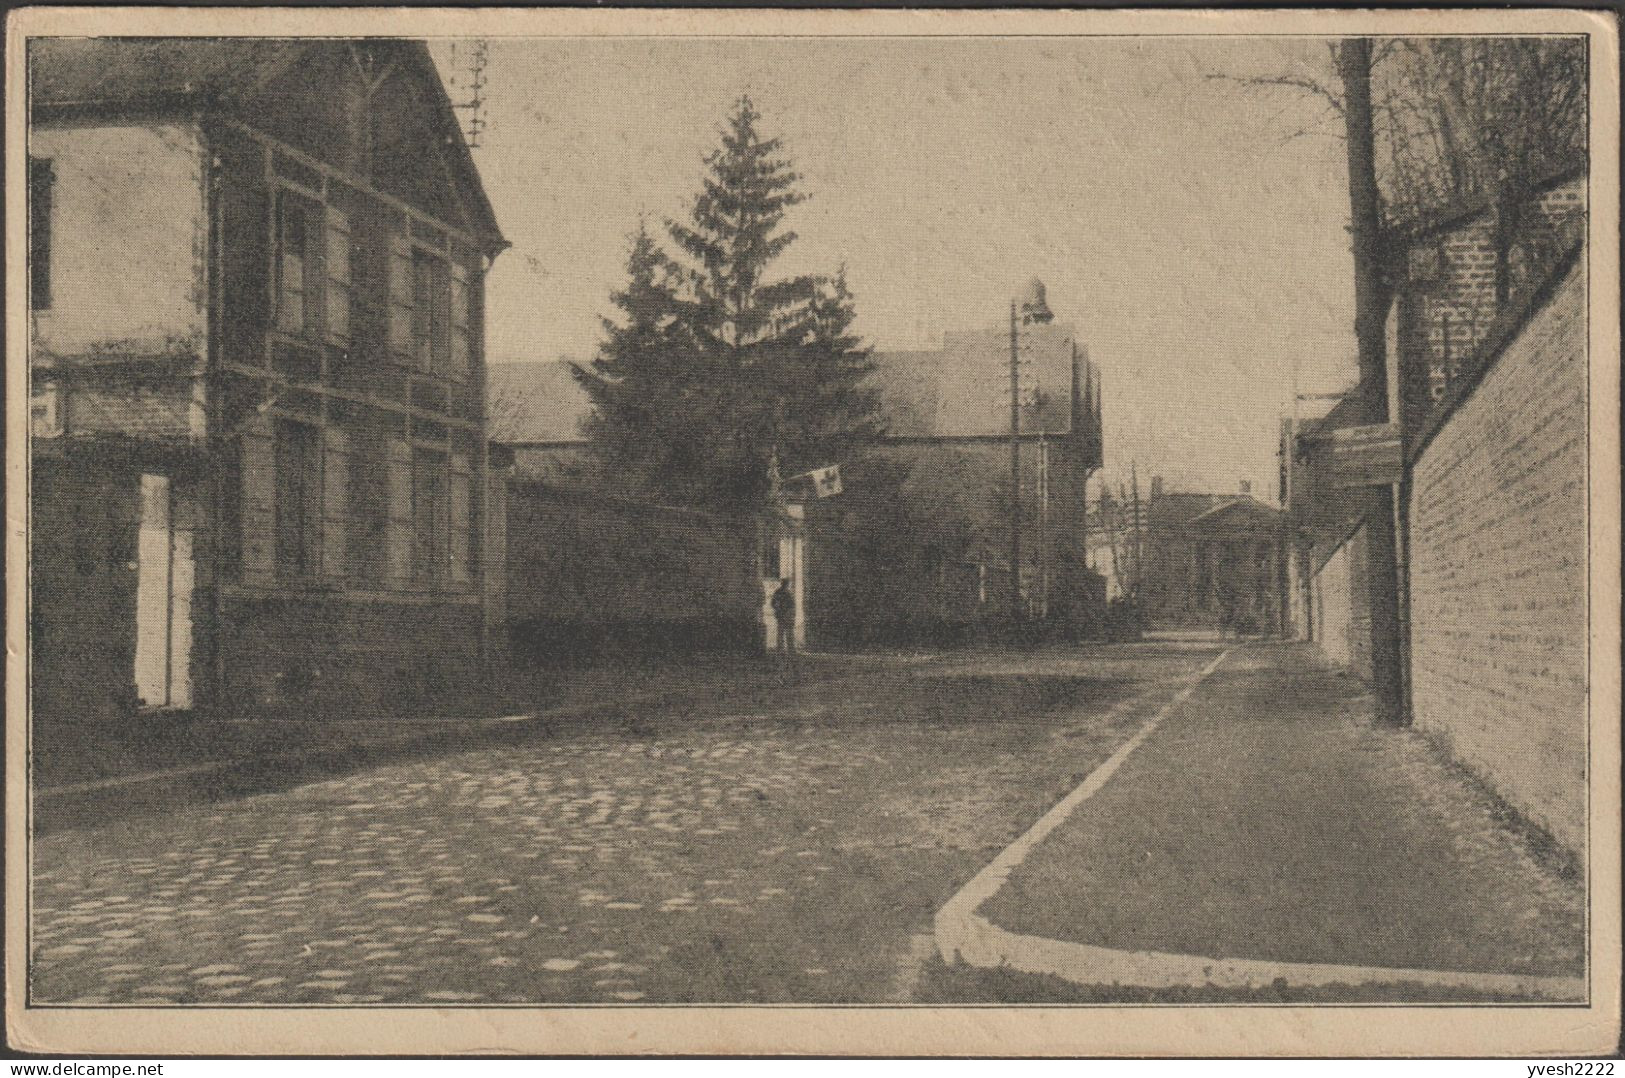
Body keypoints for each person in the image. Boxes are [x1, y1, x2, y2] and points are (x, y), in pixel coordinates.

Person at [770, 577, 798, 679]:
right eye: (787, 583)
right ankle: (788, 649)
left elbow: (773, 603)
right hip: (785, 616)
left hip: (782, 615)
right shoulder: (787, 593)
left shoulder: (779, 592)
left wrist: (778, 609)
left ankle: (781, 649)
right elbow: (791, 606)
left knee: (781, 633)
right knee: (786, 634)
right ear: (786, 584)